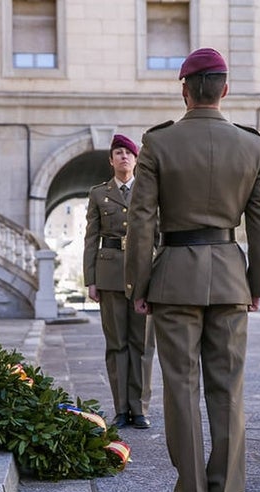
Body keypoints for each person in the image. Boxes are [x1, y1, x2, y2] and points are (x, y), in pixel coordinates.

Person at [124, 47, 260, 492]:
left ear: (184, 90)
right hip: (230, 277)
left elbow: (141, 221)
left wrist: (139, 284)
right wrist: (257, 283)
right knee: (228, 390)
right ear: (225, 90)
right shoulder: (251, 145)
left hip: (174, 279)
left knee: (180, 388)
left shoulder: (158, 143)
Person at [83, 134, 155, 430]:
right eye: (118, 152)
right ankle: (121, 409)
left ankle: (140, 409)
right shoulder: (98, 194)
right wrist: (91, 279)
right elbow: (91, 238)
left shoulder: (149, 191)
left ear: (136, 160)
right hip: (110, 274)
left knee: (142, 345)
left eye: (128, 152)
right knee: (117, 345)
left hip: (143, 273)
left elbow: (159, 235)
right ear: (111, 160)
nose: (124, 156)